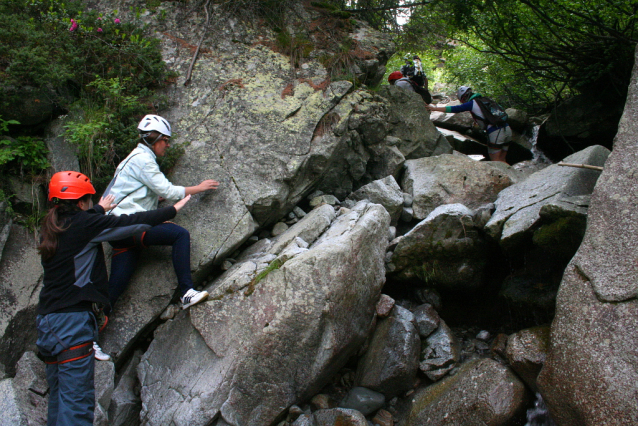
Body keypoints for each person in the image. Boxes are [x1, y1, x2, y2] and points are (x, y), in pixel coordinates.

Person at [36, 171, 191, 426]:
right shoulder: (85, 225)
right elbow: (130, 223)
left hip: (47, 323)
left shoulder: (52, 226)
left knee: (58, 401)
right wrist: (170, 210)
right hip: (72, 324)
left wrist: (98, 209)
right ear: (81, 201)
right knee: (76, 407)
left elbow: (83, 223)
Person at [104, 114, 219, 313]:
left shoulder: (134, 158)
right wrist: (199, 188)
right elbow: (168, 190)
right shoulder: (143, 160)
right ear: (153, 138)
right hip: (129, 225)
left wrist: (150, 198)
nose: (167, 145)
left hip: (118, 233)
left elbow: (129, 190)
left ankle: (90, 334)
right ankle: (187, 292)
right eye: (165, 140)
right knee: (179, 234)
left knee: (114, 288)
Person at [426, 86, 512, 163]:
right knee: (503, 159)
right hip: (507, 129)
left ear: (463, 98)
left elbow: (455, 109)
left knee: (496, 161)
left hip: (496, 132)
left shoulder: (472, 103)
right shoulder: (485, 100)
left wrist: (435, 108)